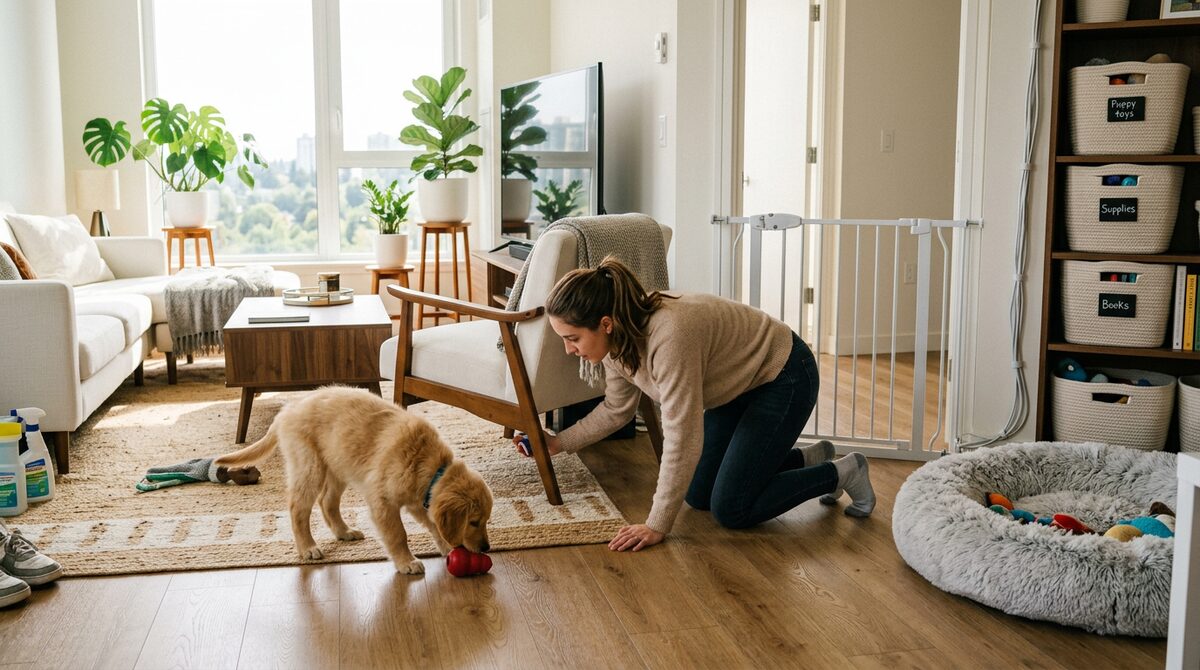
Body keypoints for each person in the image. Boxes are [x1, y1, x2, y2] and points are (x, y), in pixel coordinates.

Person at [513, 256, 875, 552]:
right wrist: (558, 443)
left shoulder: (669, 337)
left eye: (572, 338)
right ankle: (808, 458)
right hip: (736, 385)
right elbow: (616, 411)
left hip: (783, 374)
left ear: (605, 323)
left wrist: (656, 525)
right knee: (699, 494)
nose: (568, 349)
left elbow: (683, 437)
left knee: (732, 507)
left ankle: (843, 471)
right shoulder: (616, 345)